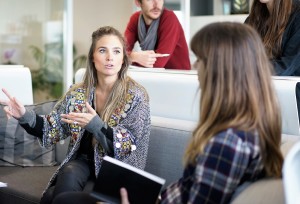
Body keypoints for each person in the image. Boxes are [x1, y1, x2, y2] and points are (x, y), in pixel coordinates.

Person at [51, 22, 284, 204]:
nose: (195, 67)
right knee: (63, 196)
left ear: (221, 71)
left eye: (200, 59)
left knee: (64, 200)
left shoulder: (227, 143)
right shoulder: (248, 131)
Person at [0, 26, 151, 204]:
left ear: (123, 59)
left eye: (116, 51)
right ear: (93, 58)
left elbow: (129, 145)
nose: (110, 57)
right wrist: (24, 115)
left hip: (117, 170)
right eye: (103, 50)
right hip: (83, 163)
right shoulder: (78, 93)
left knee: (51, 197)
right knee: (69, 172)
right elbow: (51, 128)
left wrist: (96, 125)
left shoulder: (136, 96)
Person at [245, 0, 300, 76]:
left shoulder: (298, 15)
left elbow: (288, 65)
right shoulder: (252, 20)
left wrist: (247, 70)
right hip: (256, 87)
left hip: (290, 91)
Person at [124, 0, 191, 70]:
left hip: (178, 77)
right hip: (153, 76)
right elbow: (120, 52)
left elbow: (158, 63)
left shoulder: (169, 18)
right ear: (138, 2)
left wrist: (131, 58)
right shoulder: (135, 19)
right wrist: (134, 56)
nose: (157, 5)